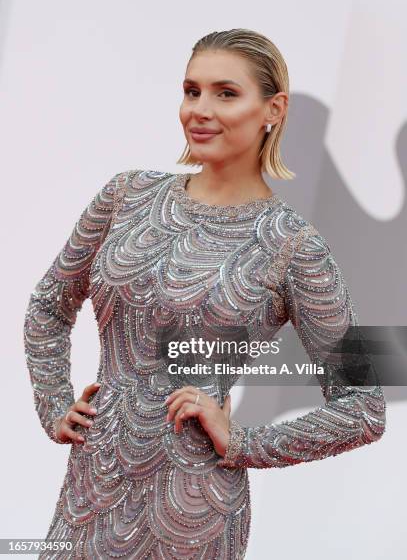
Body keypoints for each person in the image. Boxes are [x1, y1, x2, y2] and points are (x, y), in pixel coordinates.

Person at [24, 28, 386, 559]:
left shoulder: (295, 246)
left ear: (274, 109)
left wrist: (243, 443)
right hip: (91, 490)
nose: (200, 109)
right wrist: (54, 401)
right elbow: (49, 305)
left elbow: (364, 408)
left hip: (191, 509)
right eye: (191, 91)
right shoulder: (126, 194)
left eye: (226, 93)